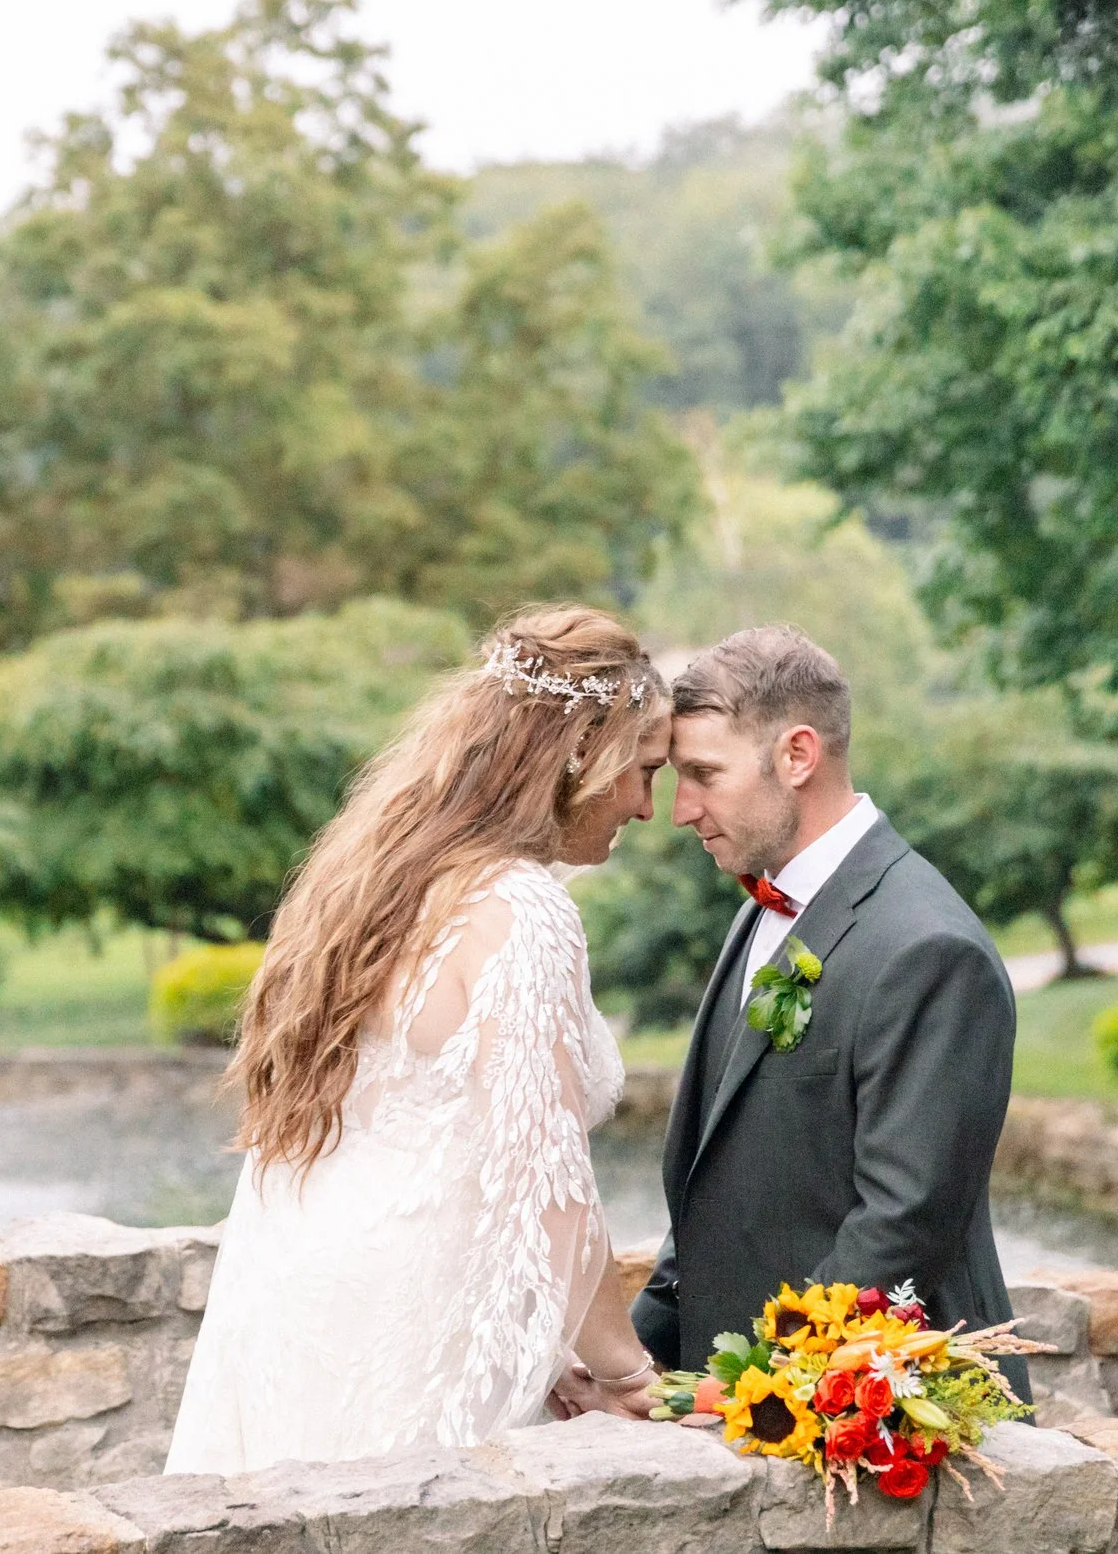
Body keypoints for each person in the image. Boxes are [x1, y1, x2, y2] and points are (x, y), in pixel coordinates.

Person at [164, 606, 671, 1474]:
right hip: (420, 1327)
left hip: (308, 1302)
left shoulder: (384, 880)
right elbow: (546, 1176)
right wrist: (627, 1371)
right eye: (644, 769)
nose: (646, 806)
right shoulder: (522, 908)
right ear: (581, 750)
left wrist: (548, 1341)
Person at [632, 625, 1030, 1403]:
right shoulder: (760, 908)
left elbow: (901, 1227)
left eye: (704, 774)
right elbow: (720, 1193)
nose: (682, 809)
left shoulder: (929, 949)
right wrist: (632, 1356)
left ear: (797, 755)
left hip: (884, 1422)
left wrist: (745, 1390)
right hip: (758, 1413)